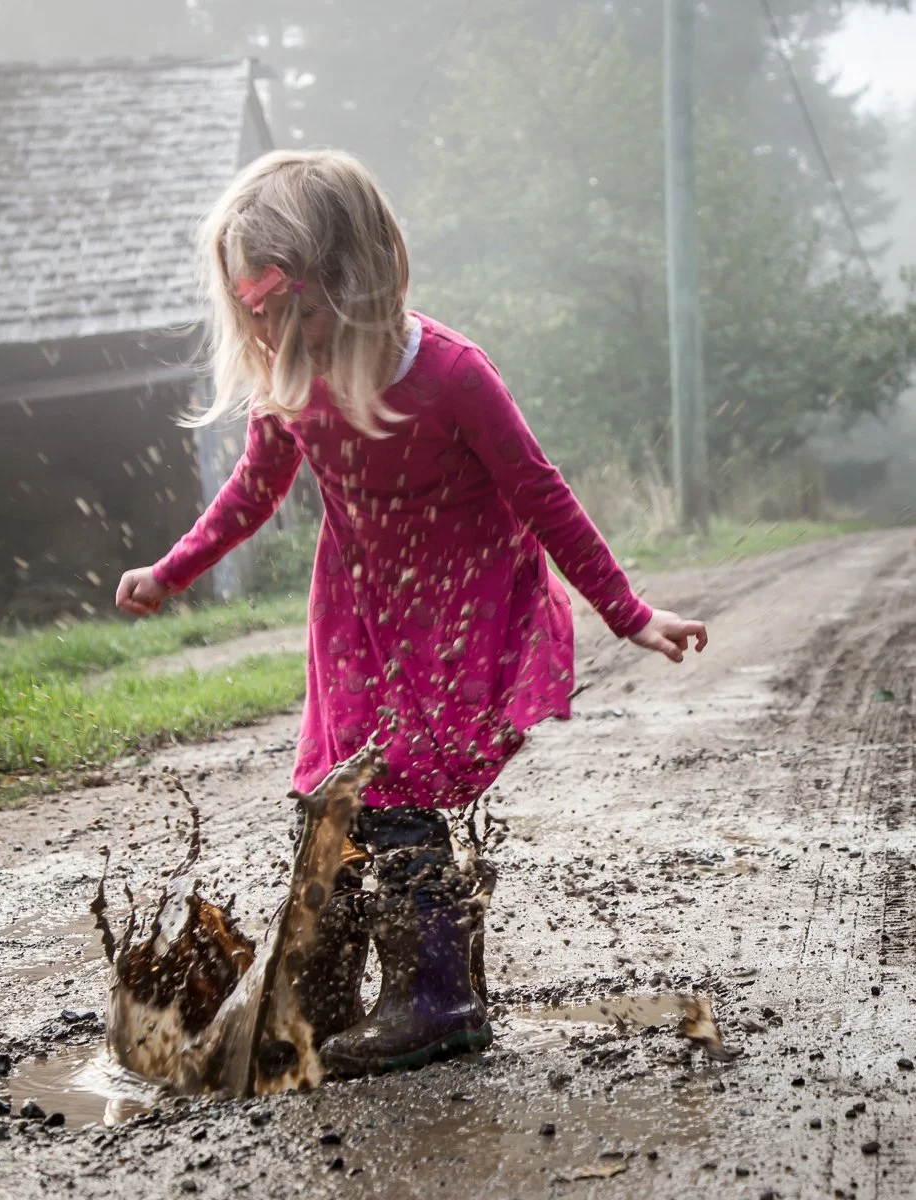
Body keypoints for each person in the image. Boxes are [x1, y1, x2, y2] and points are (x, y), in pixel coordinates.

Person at [116, 149, 707, 1078]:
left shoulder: (453, 375)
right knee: (332, 791)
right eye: (261, 320)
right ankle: (321, 996)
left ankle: (438, 999)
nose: (280, 338)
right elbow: (254, 489)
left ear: (360, 281)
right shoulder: (290, 375)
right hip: (356, 610)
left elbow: (541, 494)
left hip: (460, 605)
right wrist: (172, 570)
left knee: (396, 792)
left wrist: (626, 611)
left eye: (296, 311)